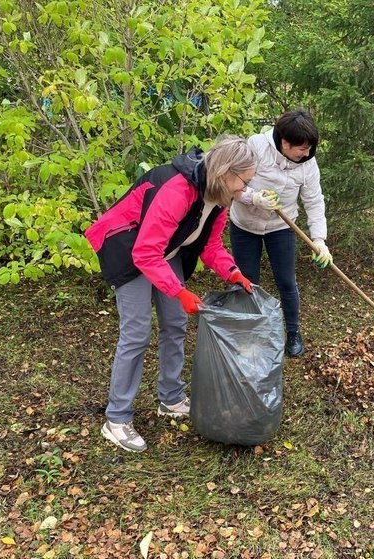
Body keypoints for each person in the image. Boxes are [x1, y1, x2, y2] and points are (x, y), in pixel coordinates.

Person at [84, 136, 256, 452]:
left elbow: (211, 246)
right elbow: (145, 253)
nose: (244, 189)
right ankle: (117, 419)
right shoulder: (177, 190)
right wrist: (179, 291)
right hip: (127, 246)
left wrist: (232, 272)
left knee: (175, 323)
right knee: (136, 333)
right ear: (225, 173)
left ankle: (171, 397)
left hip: (164, 248)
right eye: (243, 182)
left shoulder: (219, 199)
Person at [229, 109, 332, 358]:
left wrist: (319, 240)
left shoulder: (308, 163)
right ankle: (250, 335)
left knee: (286, 282)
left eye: (309, 148)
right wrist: (254, 198)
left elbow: (314, 201)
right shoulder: (255, 147)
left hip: (281, 228)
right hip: (245, 226)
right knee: (247, 281)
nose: (306, 154)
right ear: (284, 143)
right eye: (301, 148)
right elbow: (232, 186)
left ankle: (293, 333)